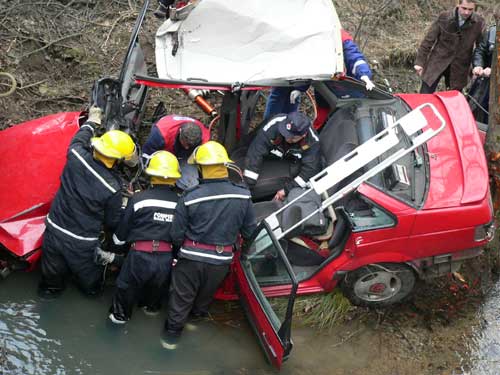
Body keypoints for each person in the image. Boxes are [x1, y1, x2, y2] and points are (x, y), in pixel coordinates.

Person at [162, 141, 256, 348]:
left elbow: (176, 234)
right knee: (205, 296)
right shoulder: (243, 195)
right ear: (224, 166)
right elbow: (250, 231)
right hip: (221, 261)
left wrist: (180, 253)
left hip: (191, 258)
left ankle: (169, 341)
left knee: (180, 300)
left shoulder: (190, 196)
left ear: (203, 169)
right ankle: (195, 322)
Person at [38, 107, 136, 297]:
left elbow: (80, 137)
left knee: (50, 286)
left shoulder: (75, 155)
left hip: (54, 231)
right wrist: (125, 204)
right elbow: (111, 222)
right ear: (116, 160)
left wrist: (92, 120)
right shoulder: (113, 187)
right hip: (81, 244)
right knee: (90, 288)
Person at [108, 151, 182, 324]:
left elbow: (121, 234)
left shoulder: (139, 199)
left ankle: (119, 321)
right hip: (165, 260)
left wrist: (116, 253)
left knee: (124, 292)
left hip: (138, 257)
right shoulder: (181, 203)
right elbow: (180, 235)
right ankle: (150, 309)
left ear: (151, 174)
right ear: (174, 177)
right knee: (154, 300)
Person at [263, 29, 375, 120]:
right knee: (322, 119)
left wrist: (364, 75)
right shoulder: (312, 38)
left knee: (352, 117)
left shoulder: (341, 38)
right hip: (326, 90)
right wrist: (300, 88)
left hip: (349, 88)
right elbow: (310, 67)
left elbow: (355, 58)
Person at [243, 111, 321, 201]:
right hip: (270, 157)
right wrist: (247, 185)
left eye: (292, 137)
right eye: (285, 133)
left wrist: (286, 190)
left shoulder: (312, 142)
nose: (287, 138)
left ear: (303, 135)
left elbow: (310, 171)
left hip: (291, 164)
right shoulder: (275, 123)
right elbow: (256, 151)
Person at [414, 0, 485, 94]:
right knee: (425, 94)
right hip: (437, 62)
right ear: (458, 5)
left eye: (470, 9)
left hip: (460, 67)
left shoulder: (479, 22)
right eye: (464, 8)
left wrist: (478, 66)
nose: (466, 12)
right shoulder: (444, 17)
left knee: (453, 99)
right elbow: (429, 40)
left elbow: (480, 48)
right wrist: (420, 62)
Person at [141, 115, 210, 162]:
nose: (186, 147)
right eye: (185, 143)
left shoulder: (205, 138)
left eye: (190, 145)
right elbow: (146, 154)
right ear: (180, 132)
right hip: (166, 129)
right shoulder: (160, 135)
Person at [470, 24, 496, 123]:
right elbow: (480, 50)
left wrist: (494, 70)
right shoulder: (493, 32)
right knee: (477, 108)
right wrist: (478, 65)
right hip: (486, 82)